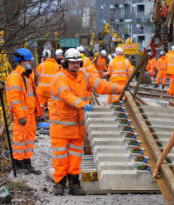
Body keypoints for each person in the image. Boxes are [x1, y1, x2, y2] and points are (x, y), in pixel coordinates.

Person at [49, 48, 124, 195]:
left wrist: (120, 89)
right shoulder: (60, 78)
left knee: (75, 158)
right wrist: (82, 104)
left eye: (77, 63)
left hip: (77, 127)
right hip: (61, 128)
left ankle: (74, 184)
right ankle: (59, 184)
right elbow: (65, 95)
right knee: (60, 158)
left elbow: (102, 86)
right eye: (72, 63)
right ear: (66, 63)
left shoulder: (84, 76)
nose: (75, 66)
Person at [6, 48, 42, 174]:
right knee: (20, 139)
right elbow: (14, 99)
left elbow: (32, 96)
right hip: (22, 116)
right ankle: (18, 164)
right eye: (28, 61)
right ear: (22, 61)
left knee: (29, 139)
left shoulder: (27, 76)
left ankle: (27, 163)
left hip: (30, 114)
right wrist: (20, 115)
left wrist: (37, 112)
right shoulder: (15, 77)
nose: (31, 63)